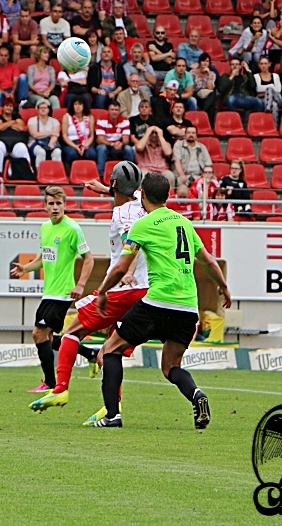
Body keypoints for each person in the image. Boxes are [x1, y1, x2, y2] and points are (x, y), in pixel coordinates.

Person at [88, 172, 231, 428]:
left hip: (157, 303)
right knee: (171, 366)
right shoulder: (184, 223)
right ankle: (196, 395)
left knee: (110, 349)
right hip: (188, 307)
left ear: (142, 194)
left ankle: (112, 416)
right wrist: (223, 286)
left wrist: (101, 291)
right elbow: (208, 261)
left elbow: (121, 267)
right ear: (168, 195)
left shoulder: (142, 225)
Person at [30, 163, 147, 418]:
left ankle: (60, 387)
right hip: (146, 291)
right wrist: (106, 189)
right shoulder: (142, 203)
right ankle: (112, 408)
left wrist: (127, 271)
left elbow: (133, 244)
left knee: (72, 331)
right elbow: (129, 194)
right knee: (110, 350)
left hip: (121, 288)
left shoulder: (121, 215)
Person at [10, 187, 96, 393]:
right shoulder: (45, 228)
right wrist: (26, 268)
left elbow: (89, 259)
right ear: (45, 206)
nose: (55, 207)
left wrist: (81, 285)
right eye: (51, 203)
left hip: (63, 292)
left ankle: (50, 383)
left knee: (38, 333)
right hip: (49, 292)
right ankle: (90, 354)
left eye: (59, 203)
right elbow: (43, 259)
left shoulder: (72, 229)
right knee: (47, 338)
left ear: (65, 205)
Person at [0, 98, 29, 174]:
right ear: (3, 107)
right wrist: (12, 122)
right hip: (1, 142)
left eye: (11, 106)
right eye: (6, 106)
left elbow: (21, 128)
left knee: (22, 147)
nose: (8, 108)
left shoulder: (17, 116)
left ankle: (26, 172)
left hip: (15, 142)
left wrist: (6, 124)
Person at [95, 100, 134, 175]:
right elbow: (100, 139)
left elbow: (126, 139)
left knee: (128, 149)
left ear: (119, 111)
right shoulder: (101, 120)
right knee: (101, 148)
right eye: (112, 109)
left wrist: (121, 144)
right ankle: (101, 175)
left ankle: (131, 174)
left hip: (119, 145)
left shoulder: (124, 121)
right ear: (108, 111)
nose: (114, 112)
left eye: (116, 110)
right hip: (107, 146)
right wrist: (112, 144)